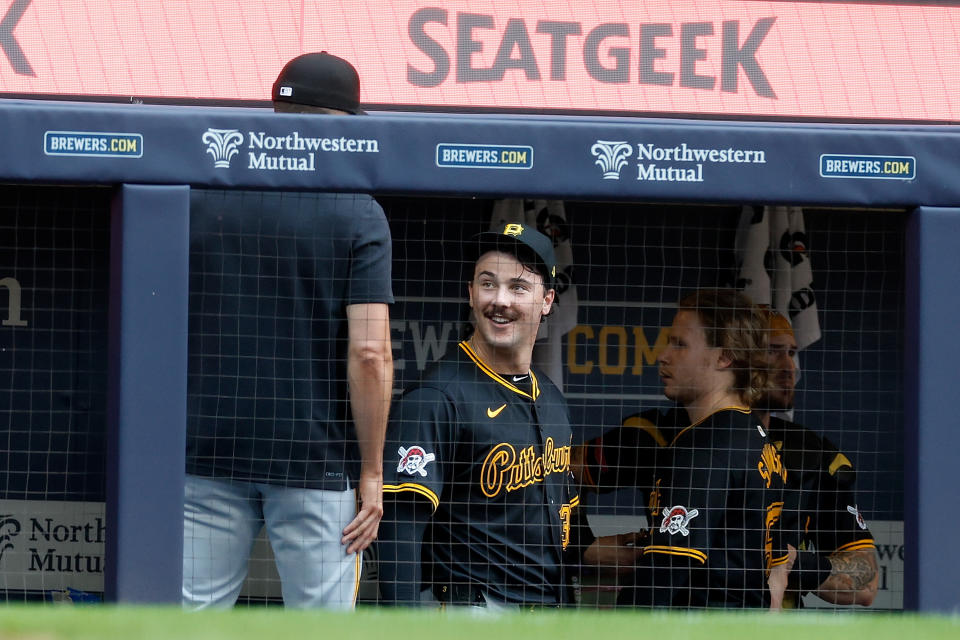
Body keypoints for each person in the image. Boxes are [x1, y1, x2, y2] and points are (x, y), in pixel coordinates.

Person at [182, 52, 393, 609]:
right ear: (345, 125)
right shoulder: (358, 210)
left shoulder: (201, 194)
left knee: (190, 624)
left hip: (205, 450)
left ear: (274, 108)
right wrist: (372, 472)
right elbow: (371, 353)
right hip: (313, 461)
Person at [378, 223, 580, 609]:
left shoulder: (551, 398)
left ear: (547, 299)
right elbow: (399, 533)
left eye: (518, 287)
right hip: (469, 608)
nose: (500, 300)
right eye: (488, 284)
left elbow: (561, 526)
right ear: (470, 294)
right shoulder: (436, 396)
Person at [577, 288, 794, 609]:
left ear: (724, 356)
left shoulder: (701, 449)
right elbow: (776, 573)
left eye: (680, 344)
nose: (663, 355)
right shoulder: (761, 442)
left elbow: (660, 581)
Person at [755, 308, 878, 607]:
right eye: (773, 351)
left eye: (792, 353)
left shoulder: (809, 451)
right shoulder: (669, 437)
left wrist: (793, 561)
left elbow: (867, 582)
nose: (789, 367)